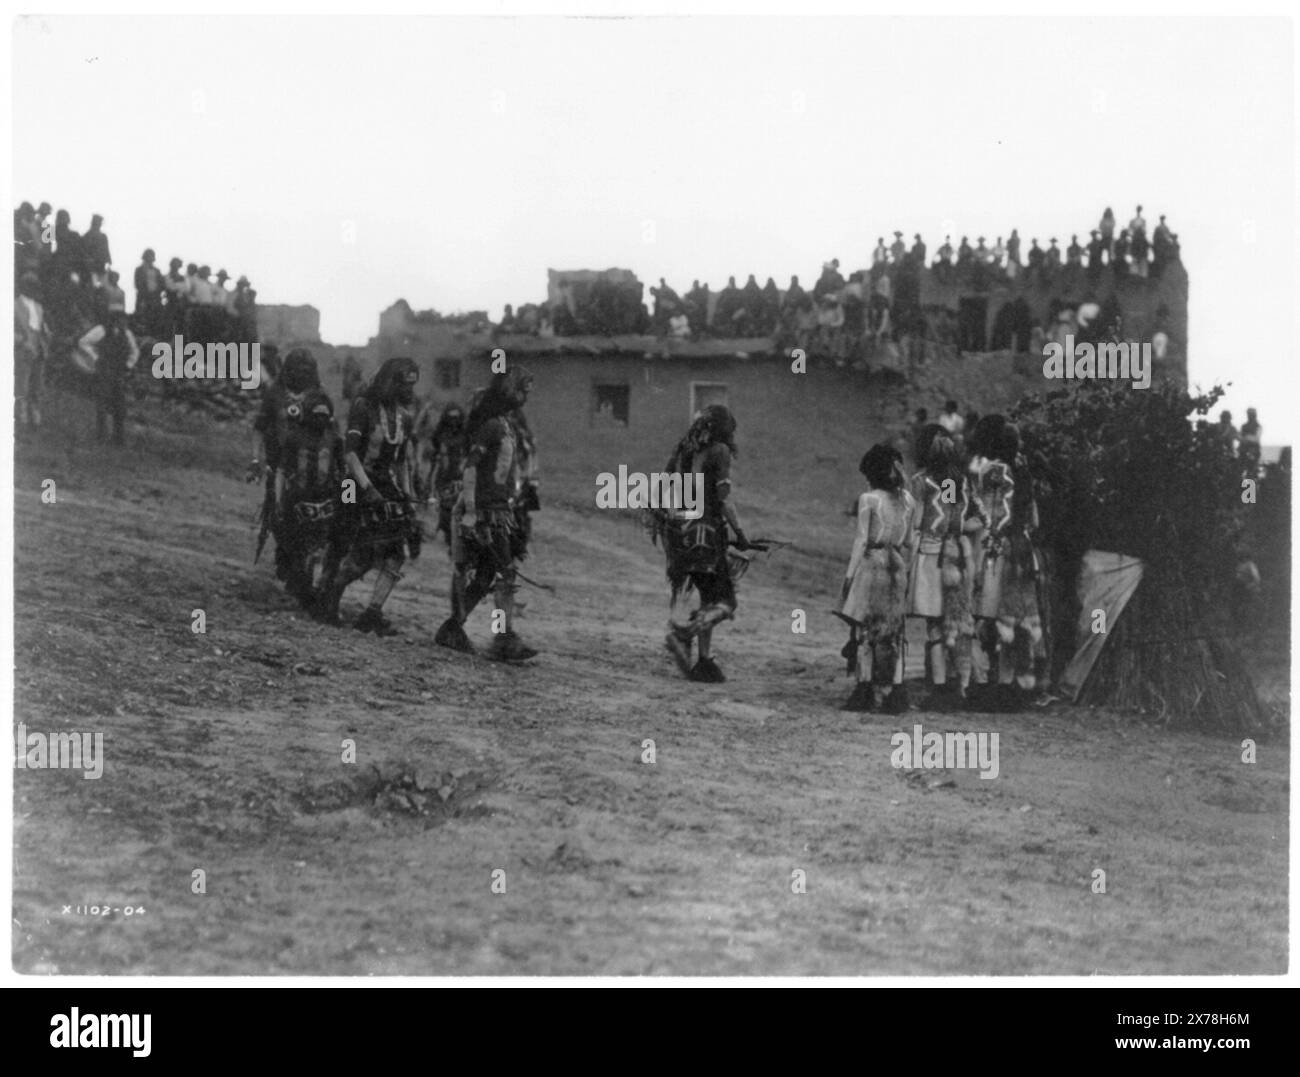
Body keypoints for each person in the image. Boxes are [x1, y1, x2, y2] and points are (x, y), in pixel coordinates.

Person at [435, 367, 540, 661]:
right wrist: (470, 511)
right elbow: (470, 467)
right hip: (484, 512)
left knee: (484, 576)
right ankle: (502, 637)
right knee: (503, 574)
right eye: (521, 390)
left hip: (495, 510)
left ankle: (453, 628)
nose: (525, 396)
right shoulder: (492, 426)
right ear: (509, 391)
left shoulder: (504, 424)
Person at [316, 356, 422, 634]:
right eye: (405, 384)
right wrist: (368, 488)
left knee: (395, 552)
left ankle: (372, 613)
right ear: (390, 383)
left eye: (413, 385)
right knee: (353, 547)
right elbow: (351, 453)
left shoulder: (405, 419)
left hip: (383, 485)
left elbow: (401, 463)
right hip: (354, 483)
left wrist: (407, 496)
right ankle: (328, 596)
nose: (410, 390)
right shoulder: (364, 408)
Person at [651, 405, 753, 683]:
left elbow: (662, 486)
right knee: (726, 602)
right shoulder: (719, 451)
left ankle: (704, 661)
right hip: (707, 534)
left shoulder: (684, 450)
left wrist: (667, 516)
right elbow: (723, 499)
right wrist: (740, 533)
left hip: (682, 533)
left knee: (708, 598)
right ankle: (684, 631)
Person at [969, 419, 1044, 708]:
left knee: (989, 617)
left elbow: (986, 513)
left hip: (994, 549)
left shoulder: (989, 471)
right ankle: (1013, 686)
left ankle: (991, 685)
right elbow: (1034, 519)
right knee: (1016, 619)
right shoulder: (1023, 472)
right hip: (1022, 552)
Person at [835, 445, 916, 713]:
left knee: (865, 631)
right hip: (898, 565)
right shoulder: (908, 501)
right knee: (894, 631)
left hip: (872, 564)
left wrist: (849, 577)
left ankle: (865, 688)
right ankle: (896, 690)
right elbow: (909, 541)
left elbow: (860, 541)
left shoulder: (869, 499)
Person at [907, 425, 977, 707]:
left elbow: (920, 521)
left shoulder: (921, 481)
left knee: (936, 626)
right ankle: (957, 683)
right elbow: (954, 519)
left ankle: (940, 688)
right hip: (957, 555)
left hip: (931, 556)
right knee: (953, 623)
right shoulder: (959, 482)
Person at [250, 348, 323, 587]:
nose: (302, 375)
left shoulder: (319, 397)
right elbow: (260, 428)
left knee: (312, 517)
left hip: (311, 468)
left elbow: (329, 432)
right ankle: (286, 555)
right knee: (281, 512)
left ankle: (303, 569)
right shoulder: (275, 394)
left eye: (307, 370)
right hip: (279, 464)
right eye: (298, 370)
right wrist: (255, 460)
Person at [274, 388, 344, 608]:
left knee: (320, 549)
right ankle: (301, 587)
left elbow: (344, 473)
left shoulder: (334, 440)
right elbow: (282, 470)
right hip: (298, 501)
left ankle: (314, 590)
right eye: (317, 415)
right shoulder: (294, 438)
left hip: (326, 502)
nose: (321, 419)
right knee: (298, 548)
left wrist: (349, 501)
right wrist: (278, 499)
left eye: (325, 415)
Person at [94, 305, 139, 445]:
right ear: (113, 318)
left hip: (119, 372)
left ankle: (118, 437)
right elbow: (84, 342)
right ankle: (101, 435)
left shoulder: (127, 334)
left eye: (124, 318)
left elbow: (135, 351)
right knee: (102, 403)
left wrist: (129, 365)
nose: (123, 321)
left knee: (120, 405)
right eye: (120, 317)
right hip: (105, 371)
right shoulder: (102, 330)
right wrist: (96, 359)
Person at [425, 402, 468, 545]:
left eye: (457, 418)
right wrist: (431, 489)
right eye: (451, 418)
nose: (454, 422)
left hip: (463, 479)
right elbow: (435, 463)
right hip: (445, 479)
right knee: (446, 513)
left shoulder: (467, 435)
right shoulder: (440, 435)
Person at [14, 271, 49, 431]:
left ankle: (35, 417)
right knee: (22, 384)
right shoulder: (14, 305)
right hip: (23, 349)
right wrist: (22, 342)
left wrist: (45, 339)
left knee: (37, 385)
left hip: (39, 349)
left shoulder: (39, 307)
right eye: (30, 284)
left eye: (34, 285)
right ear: (24, 286)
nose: (32, 288)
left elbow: (41, 328)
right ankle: (21, 417)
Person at [133, 249, 166, 337]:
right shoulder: (139, 269)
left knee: (156, 319)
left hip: (156, 297)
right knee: (143, 318)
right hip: (144, 297)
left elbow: (162, 284)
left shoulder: (157, 270)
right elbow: (137, 284)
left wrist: (157, 292)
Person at [82, 214, 112, 285]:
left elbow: (106, 251)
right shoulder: (87, 236)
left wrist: (108, 263)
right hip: (92, 268)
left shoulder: (102, 236)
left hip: (100, 267)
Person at [1239, 408, 1262, 476]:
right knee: (1241, 472)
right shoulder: (1244, 426)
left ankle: (1250, 486)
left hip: (1254, 452)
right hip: (1243, 452)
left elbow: (1256, 438)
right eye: (1249, 414)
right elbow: (1241, 438)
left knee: (1251, 472)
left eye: (1252, 414)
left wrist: (1246, 438)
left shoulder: (1258, 426)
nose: (1250, 416)